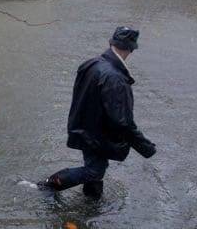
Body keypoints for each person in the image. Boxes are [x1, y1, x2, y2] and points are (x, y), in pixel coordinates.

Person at [38, 26, 157, 198]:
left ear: (110, 43)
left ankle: (92, 201)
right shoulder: (116, 79)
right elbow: (123, 122)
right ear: (131, 50)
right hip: (97, 135)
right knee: (93, 171)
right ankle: (48, 185)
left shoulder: (91, 63)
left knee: (96, 168)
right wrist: (146, 148)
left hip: (85, 128)